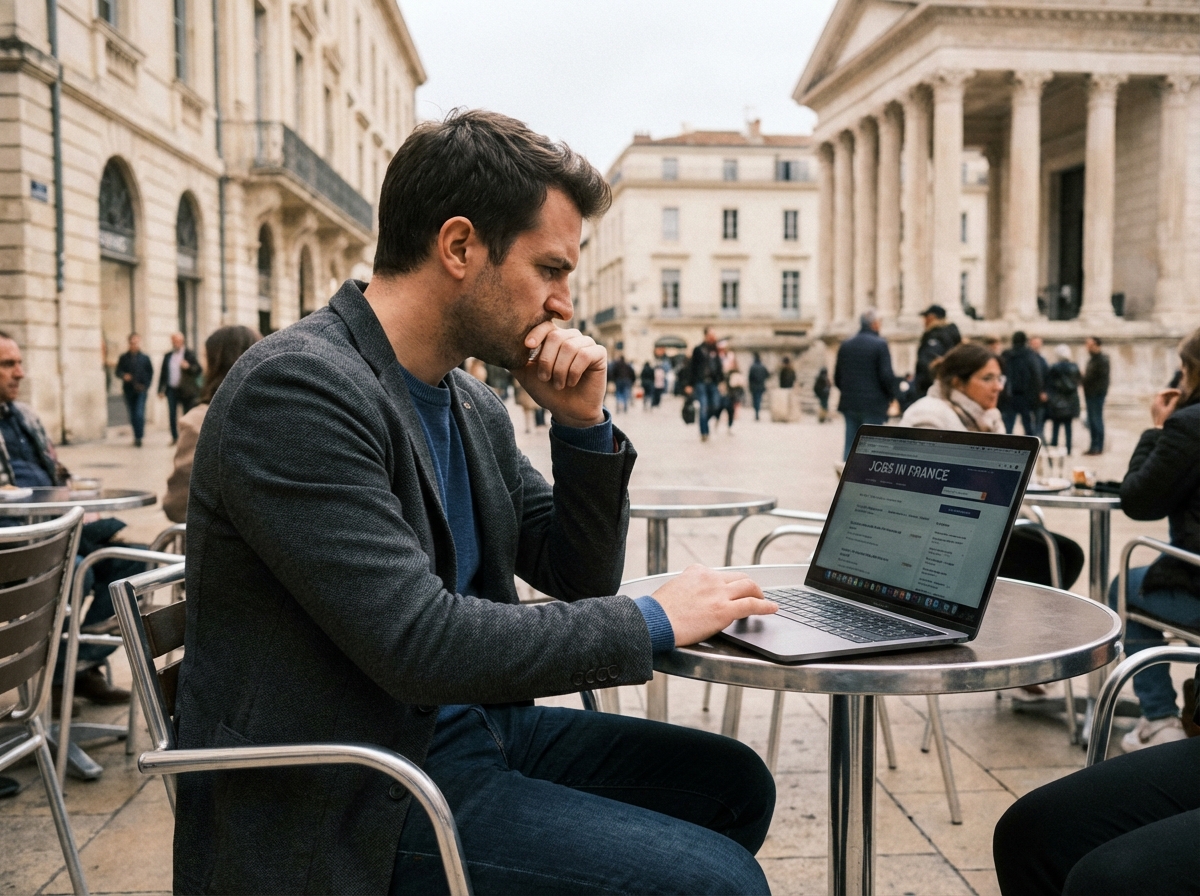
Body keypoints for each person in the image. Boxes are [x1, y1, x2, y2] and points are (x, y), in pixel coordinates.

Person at [173, 110, 778, 896]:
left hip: (463, 732)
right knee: (718, 884)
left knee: (733, 784)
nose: (565, 303)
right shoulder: (297, 388)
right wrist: (653, 619)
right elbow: (418, 642)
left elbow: (575, 571)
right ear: (460, 246)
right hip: (351, 790)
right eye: (550, 269)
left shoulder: (468, 399)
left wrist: (582, 426)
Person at [0, 332, 136, 705]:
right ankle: (66, 674)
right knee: (79, 570)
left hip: (62, 527)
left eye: (20, 362)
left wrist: (79, 493)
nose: (20, 373)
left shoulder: (24, 415)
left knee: (134, 564)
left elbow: (57, 473)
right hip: (20, 542)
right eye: (8, 365)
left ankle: (75, 666)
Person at [901, 343, 1083, 594]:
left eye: (999, 378)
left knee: (1067, 553)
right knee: (1052, 554)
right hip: (939, 533)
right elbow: (930, 489)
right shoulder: (929, 417)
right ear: (958, 382)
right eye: (988, 378)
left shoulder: (988, 416)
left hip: (981, 522)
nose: (998, 386)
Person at [1104, 328, 1200, 751]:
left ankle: (1160, 719)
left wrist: (1158, 428)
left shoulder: (1188, 426)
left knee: (1121, 584)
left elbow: (1140, 500)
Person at [163, 326, 261, 523]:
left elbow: (177, 505)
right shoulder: (281, 413)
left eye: (206, 358)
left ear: (216, 364)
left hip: (222, 548)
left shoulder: (200, 423)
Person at [834, 309, 897, 461]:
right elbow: (886, 376)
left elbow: (837, 377)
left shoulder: (846, 344)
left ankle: (846, 481)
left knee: (850, 445)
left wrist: (848, 392)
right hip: (873, 404)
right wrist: (891, 396)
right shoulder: (880, 344)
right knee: (871, 448)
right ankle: (867, 481)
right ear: (875, 324)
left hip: (850, 403)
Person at [157, 332, 201, 445]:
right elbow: (163, 373)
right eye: (173, 341)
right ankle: (174, 437)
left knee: (186, 414)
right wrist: (160, 390)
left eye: (177, 341)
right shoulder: (168, 356)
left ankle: (185, 437)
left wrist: (188, 367)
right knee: (172, 414)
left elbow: (198, 370)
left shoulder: (189, 354)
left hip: (185, 390)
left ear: (182, 341)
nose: (174, 343)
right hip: (171, 389)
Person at [998, 331, 1044, 436]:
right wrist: (1036, 396)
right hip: (1025, 396)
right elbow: (1036, 376)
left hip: (1009, 395)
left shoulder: (1006, 355)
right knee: (1028, 425)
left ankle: (1005, 447)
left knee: (1008, 426)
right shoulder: (1030, 355)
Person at [913, 304, 961, 399]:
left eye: (926, 317)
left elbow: (927, 363)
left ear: (932, 317)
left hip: (931, 388)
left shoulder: (935, 336)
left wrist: (920, 383)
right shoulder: (950, 334)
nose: (924, 321)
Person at [114, 333, 153, 446]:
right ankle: (136, 436)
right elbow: (118, 371)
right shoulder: (124, 357)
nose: (134, 345)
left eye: (136, 342)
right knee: (132, 414)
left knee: (139, 413)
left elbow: (150, 373)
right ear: (129, 343)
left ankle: (139, 437)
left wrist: (146, 386)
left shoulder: (145, 358)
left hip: (141, 390)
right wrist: (123, 375)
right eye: (132, 342)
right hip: (129, 390)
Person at [1045, 344, 1081, 455]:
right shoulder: (1074, 367)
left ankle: (1054, 447)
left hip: (1057, 400)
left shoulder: (1055, 368)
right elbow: (1078, 382)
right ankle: (1068, 448)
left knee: (1056, 426)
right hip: (1070, 401)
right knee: (1068, 427)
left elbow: (1049, 383)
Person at [690, 326, 724, 442]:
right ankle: (704, 432)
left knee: (716, 405)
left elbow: (719, 366)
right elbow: (692, 367)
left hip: (713, 382)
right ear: (706, 335)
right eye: (711, 335)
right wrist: (689, 384)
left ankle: (704, 422)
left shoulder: (715, 350)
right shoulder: (698, 349)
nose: (713, 337)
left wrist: (722, 380)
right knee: (703, 407)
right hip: (701, 382)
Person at [1082, 335, 1110, 455]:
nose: (1087, 347)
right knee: (1092, 421)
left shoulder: (1102, 360)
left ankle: (1098, 446)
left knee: (1096, 420)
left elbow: (1097, 378)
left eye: (1090, 345)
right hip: (1090, 394)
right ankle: (1094, 446)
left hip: (1096, 394)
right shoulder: (1093, 359)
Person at [1028, 336, 1050, 439]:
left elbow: (1046, 377)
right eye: (1034, 343)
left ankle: (1038, 439)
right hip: (1029, 394)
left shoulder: (1042, 359)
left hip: (1039, 396)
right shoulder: (1028, 358)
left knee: (1039, 421)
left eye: (1038, 343)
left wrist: (1044, 391)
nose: (1037, 345)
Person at [747, 353, 768, 421]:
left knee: (755, 400)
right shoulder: (763, 367)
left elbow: (750, 377)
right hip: (761, 385)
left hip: (754, 386)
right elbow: (767, 375)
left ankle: (756, 412)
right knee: (758, 399)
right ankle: (757, 412)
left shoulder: (752, 367)